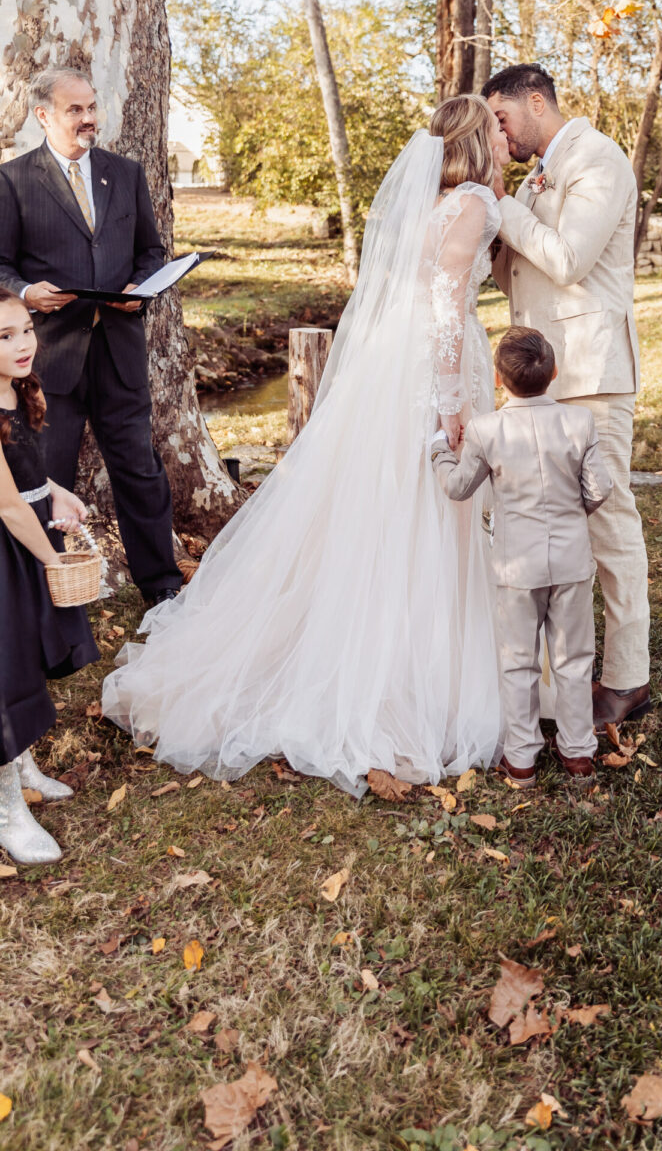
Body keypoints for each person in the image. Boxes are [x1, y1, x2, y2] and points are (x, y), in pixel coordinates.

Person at [103, 97, 511, 796]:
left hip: (400, 362)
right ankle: (404, 679)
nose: (507, 138)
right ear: (477, 139)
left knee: (387, 510)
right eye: (497, 129)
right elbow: (446, 303)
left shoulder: (434, 203)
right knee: (425, 503)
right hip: (432, 368)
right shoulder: (470, 201)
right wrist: (453, 404)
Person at [483, 64, 649, 733]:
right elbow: (516, 269)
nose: (500, 131)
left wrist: (506, 208)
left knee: (608, 522)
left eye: (501, 118)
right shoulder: (534, 175)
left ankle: (629, 676)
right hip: (541, 375)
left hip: (591, 374)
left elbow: (569, 258)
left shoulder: (598, 158)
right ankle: (556, 666)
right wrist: (492, 215)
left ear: (534, 101)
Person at [0, 68, 181, 605]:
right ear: (44, 116)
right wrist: (27, 293)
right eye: (75, 109)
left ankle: (164, 590)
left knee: (140, 472)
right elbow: (0, 264)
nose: (88, 119)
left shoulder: (124, 172)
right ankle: (46, 595)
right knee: (43, 480)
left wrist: (140, 287)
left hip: (119, 352)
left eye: (91, 107)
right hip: (47, 359)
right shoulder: (11, 181)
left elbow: (152, 249)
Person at [432, 326, 612, 785]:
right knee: (574, 659)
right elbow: (600, 489)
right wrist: (573, 514)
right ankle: (577, 755)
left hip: (516, 567)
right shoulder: (580, 422)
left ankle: (522, 758)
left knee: (518, 661)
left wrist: (439, 450)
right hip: (571, 561)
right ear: (554, 373)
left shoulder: (486, 430)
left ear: (497, 378)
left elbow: (457, 487)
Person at [0, 288, 97, 865]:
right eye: (4, 337)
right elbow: (8, 506)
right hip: (11, 548)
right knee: (6, 668)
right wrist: (52, 560)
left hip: (31, 535)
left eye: (26, 330)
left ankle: (26, 767)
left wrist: (60, 492)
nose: (23, 345)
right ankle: (8, 807)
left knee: (31, 654)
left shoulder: (20, 391)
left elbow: (28, 475)